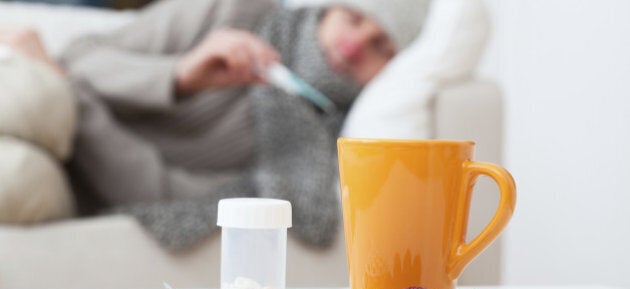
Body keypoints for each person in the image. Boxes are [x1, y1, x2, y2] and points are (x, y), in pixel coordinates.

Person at [53, 0, 427, 250]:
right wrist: (180, 77)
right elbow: (77, 57)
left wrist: (76, 105)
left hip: (65, 173)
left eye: (381, 47)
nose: (355, 46)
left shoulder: (309, 155)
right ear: (328, 10)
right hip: (43, 110)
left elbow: (160, 193)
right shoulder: (237, 9)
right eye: (355, 19)